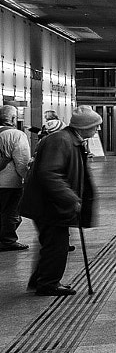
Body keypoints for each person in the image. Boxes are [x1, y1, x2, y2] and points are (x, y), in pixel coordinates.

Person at [20, 106, 100, 296]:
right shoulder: (60, 140)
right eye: (95, 126)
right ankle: (48, 284)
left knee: (52, 242)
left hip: (51, 203)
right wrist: (70, 198)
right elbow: (49, 173)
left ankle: (40, 278)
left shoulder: (71, 140)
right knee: (57, 244)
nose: (97, 130)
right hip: (49, 204)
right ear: (84, 127)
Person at [0, 105, 33, 252]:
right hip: (9, 183)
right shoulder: (16, 135)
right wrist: (28, 178)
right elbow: (22, 162)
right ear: (13, 118)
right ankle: (7, 240)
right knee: (10, 212)